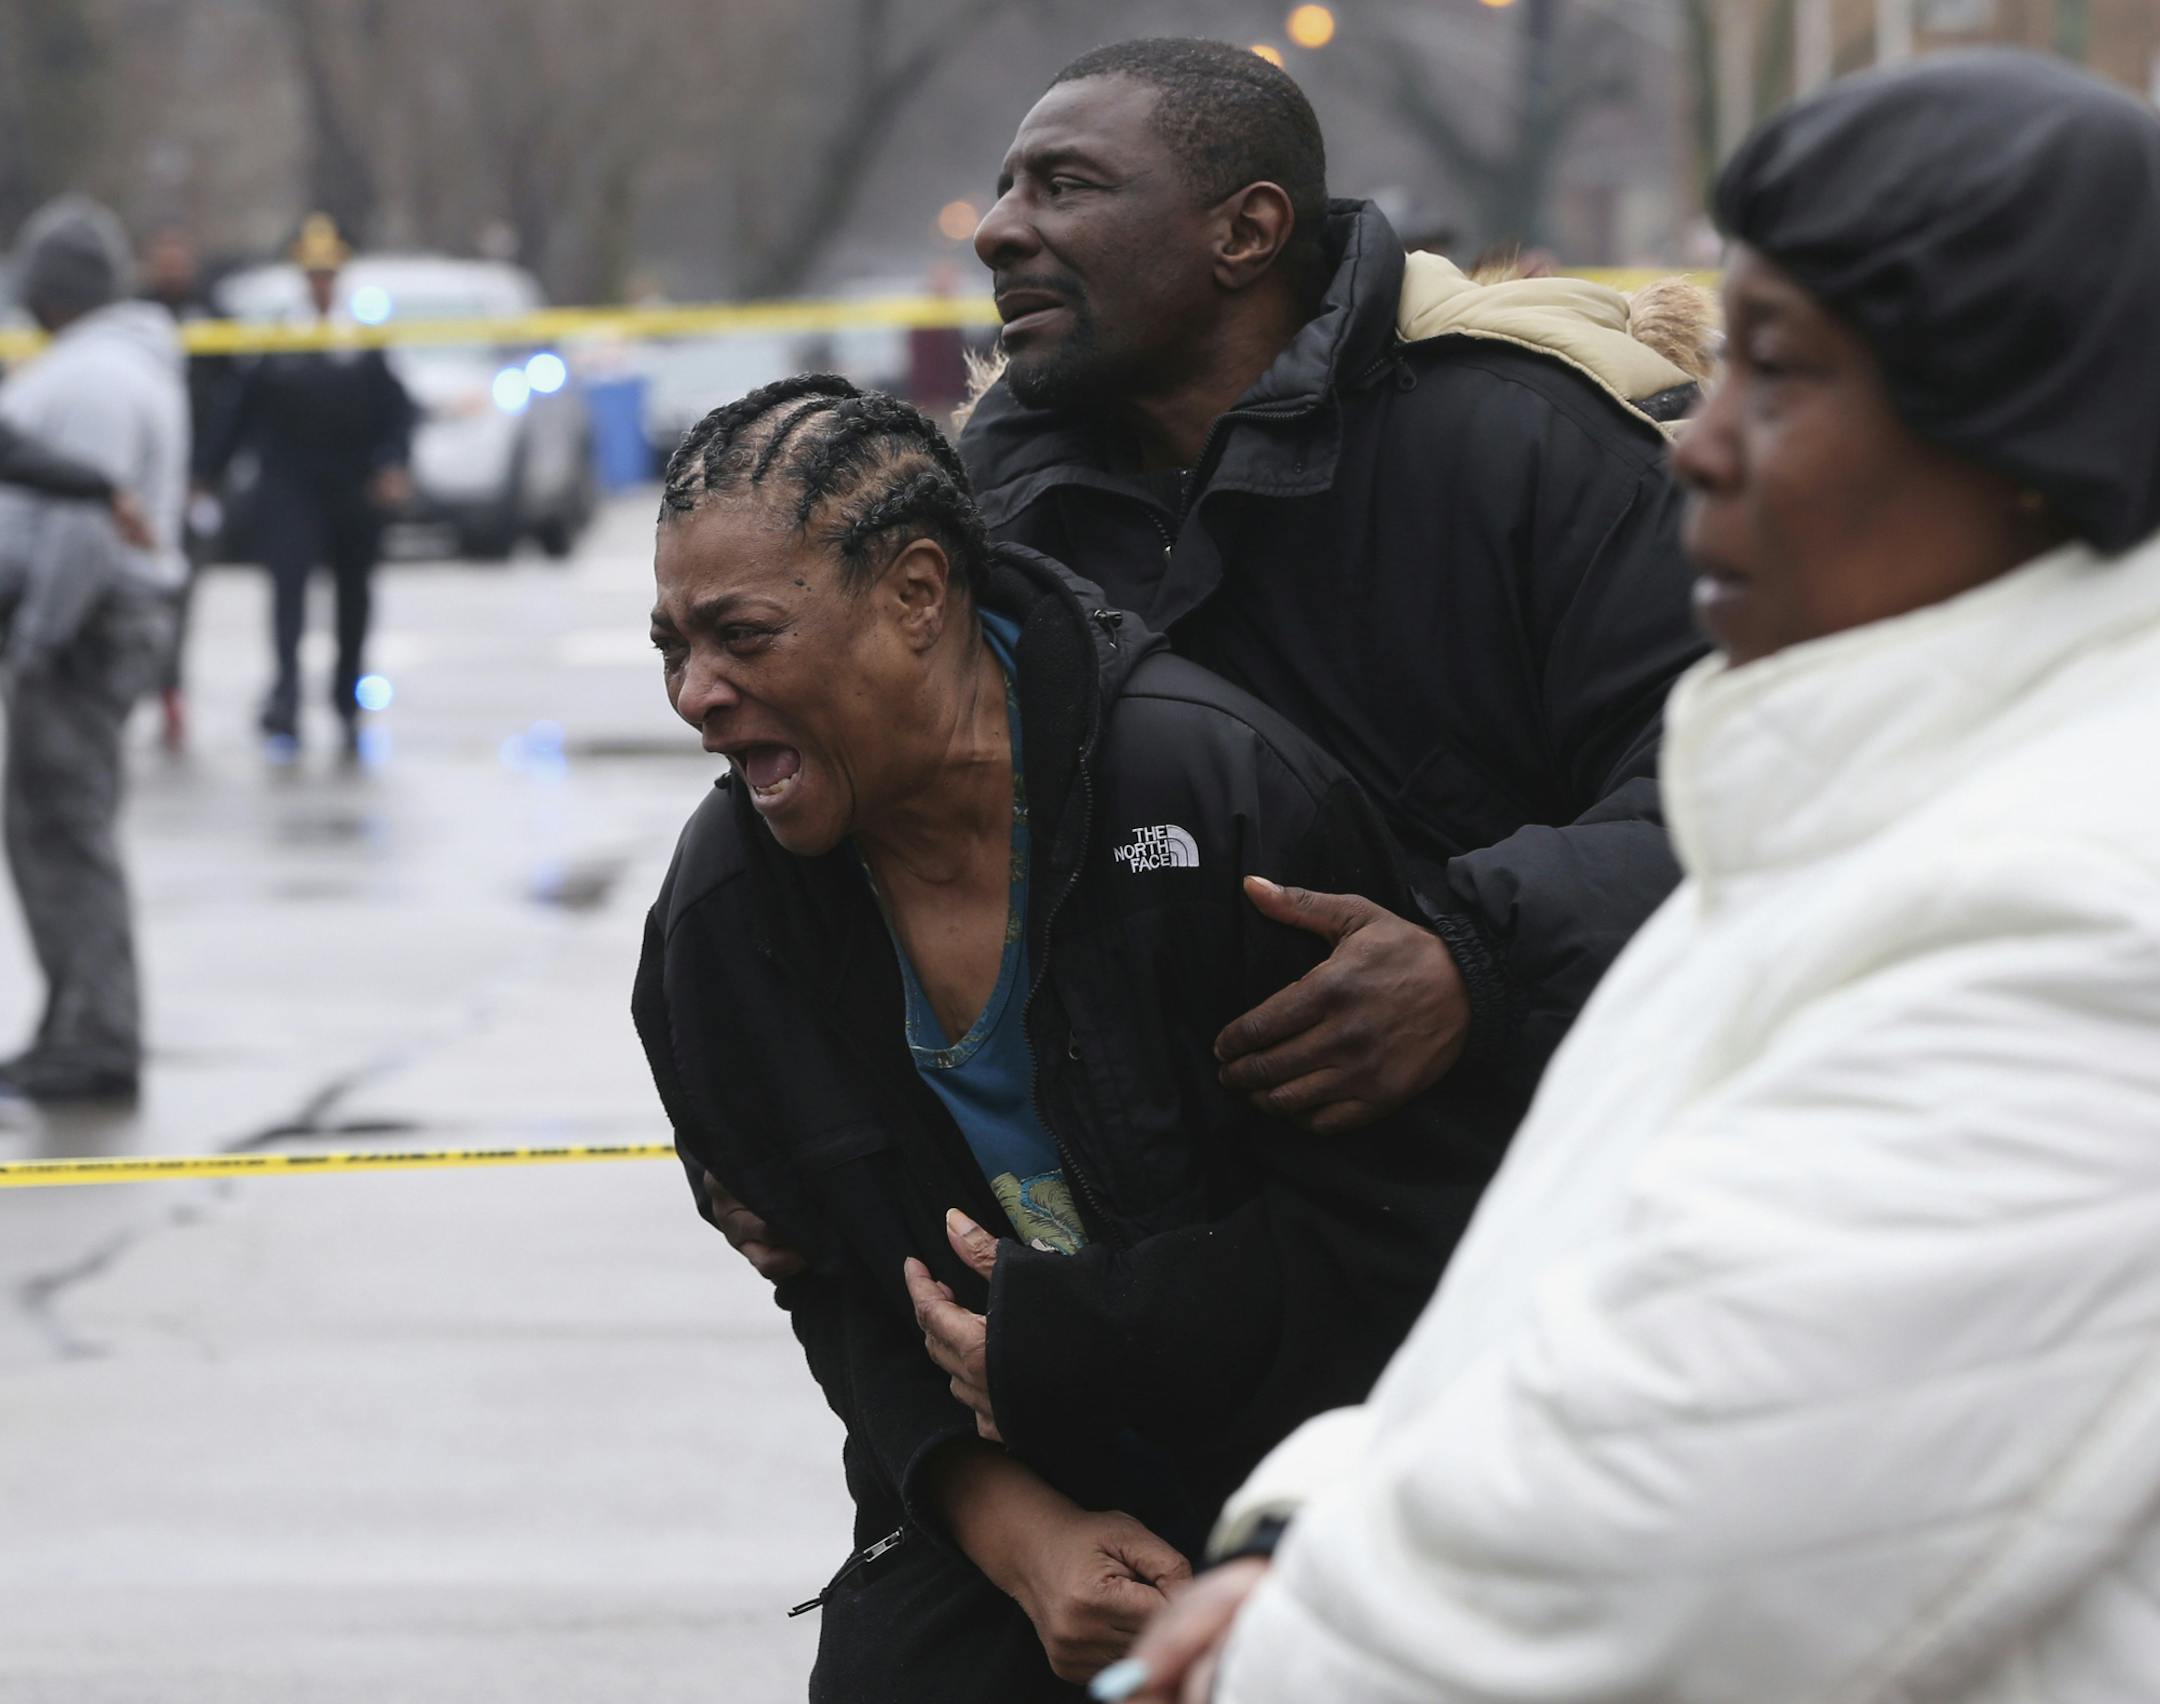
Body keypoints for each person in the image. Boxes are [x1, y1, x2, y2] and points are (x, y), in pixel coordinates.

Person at [1113, 51, 2160, 1704]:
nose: (1697, 449)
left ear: (2027, 436)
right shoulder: (1850, 816)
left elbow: (1677, 1537)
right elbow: (1554, 1327)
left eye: (1781, 377)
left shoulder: (2087, 908)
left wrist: (1275, 1637)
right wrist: (1308, 1526)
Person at [704, 35, 1713, 1284]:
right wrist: (785, 1123)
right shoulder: (986, 523)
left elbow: (1741, 786)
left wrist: (1477, 962)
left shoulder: (1527, 447)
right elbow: (839, 835)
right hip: (1171, 1310)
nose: (1000, 231)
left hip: (1547, 1253)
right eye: (1007, 188)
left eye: (1065, 187)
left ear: (1246, 232)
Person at [633, 376, 1508, 1699]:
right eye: (672, 647)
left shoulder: (1216, 802)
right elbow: (838, 1289)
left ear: (917, 594)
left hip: (1331, 1474)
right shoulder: (721, 918)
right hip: (997, 1490)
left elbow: (1410, 1245)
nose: (697, 694)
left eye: (743, 636)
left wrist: (1082, 1338)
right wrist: (1015, 1533)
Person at [0, 197, 189, 1103]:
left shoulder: (89, 380)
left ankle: (95, 1036)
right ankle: (76, 1020)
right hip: (97, 624)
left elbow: (82, 534)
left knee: (64, 830)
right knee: (56, 827)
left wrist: (38, 636)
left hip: (79, 631)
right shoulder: (120, 365)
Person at [198, 213, 414, 757]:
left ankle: (346, 700)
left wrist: (392, 463)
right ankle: (286, 698)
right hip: (289, 488)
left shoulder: (361, 340)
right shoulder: (279, 340)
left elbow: (395, 411)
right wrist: (205, 475)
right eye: (313, 274)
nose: (320, 284)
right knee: (288, 596)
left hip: (351, 489)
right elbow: (240, 414)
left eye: (328, 274)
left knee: (353, 600)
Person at [138, 224, 229, 755]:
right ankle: (141, 687)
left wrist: (207, 475)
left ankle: (171, 691)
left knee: (181, 597)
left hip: (194, 485)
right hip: (140, 489)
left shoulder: (212, 315)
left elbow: (229, 401)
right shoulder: (132, 316)